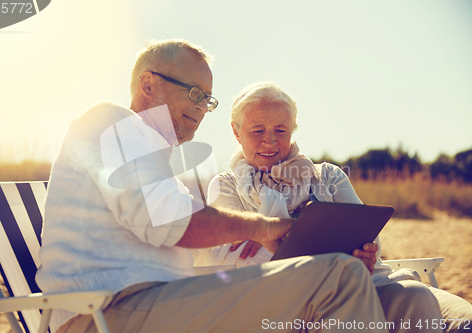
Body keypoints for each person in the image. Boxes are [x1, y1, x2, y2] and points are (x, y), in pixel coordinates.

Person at [35, 40, 391, 333]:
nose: (202, 108)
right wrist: (267, 227)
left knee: (339, 281)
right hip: (109, 312)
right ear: (148, 85)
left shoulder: (155, 159)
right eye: (194, 93)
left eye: (207, 99)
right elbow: (175, 223)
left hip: (161, 305)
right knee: (340, 277)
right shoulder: (109, 120)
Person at [197, 81, 472, 333]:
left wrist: (363, 253)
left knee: (418, 296)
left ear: (292, 129)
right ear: (236, 132)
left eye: (280, 130)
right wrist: (327, 257)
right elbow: (228, 256)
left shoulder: (328, 175)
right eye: (257, 130)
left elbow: (367, 236)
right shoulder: (227, 186)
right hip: (285, 300)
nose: (269, 140)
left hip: (364, 281)